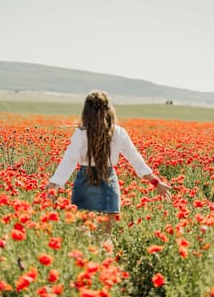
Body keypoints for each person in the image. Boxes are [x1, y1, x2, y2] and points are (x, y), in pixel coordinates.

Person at [46, 90, 171, 236]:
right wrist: (156, 183)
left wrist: (54, 184)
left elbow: (69, 161)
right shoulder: (118, 133)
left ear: (86, 111)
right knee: (104, 240)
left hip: (84, 186)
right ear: (109, 110)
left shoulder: (81, 133)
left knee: (82, 240)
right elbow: (136, 160)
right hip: (108, 185)